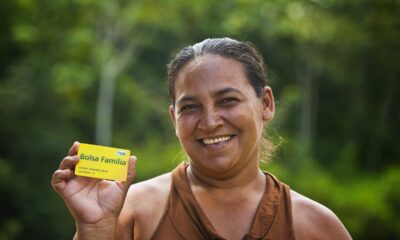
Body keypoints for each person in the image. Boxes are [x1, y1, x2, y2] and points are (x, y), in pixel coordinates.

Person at [51, 38, 352, 240]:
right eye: (191, 107)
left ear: (266, 104)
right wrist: (94, 229)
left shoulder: (315, 226)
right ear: (174, 119)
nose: (209, 122)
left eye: (228, 100)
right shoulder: (133, 212)